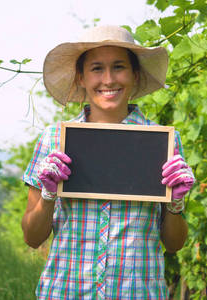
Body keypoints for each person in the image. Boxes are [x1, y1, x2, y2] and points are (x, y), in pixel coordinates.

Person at [21, 25, 195, 299]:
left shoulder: (162, 143)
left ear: (135, 75)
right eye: (96, 68)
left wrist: (175, 204)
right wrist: (47, 196)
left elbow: (174, 243)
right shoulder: (54, 139)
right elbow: (32, 237)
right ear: (81, 77)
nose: (109, 79)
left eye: (119, 67)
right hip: (66, 291)